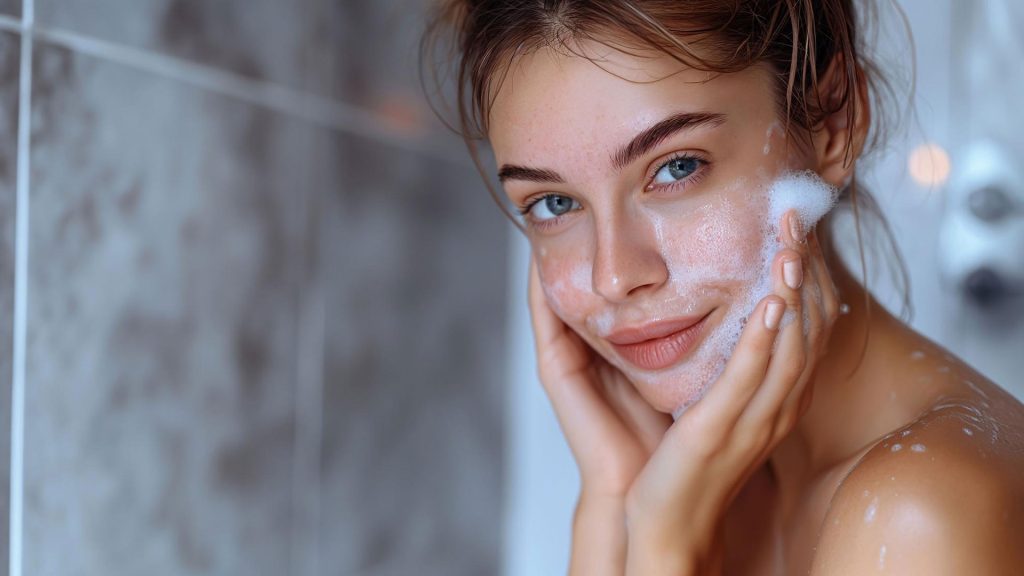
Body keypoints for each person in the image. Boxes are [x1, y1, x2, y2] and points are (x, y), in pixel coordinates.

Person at [424, 1, 1024, 574]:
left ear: (833, 122)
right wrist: (611, 501)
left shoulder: (921, 513)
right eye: (555, 204)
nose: (613, 276)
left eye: (676, 167)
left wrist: (662, 548)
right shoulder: (695, 487)